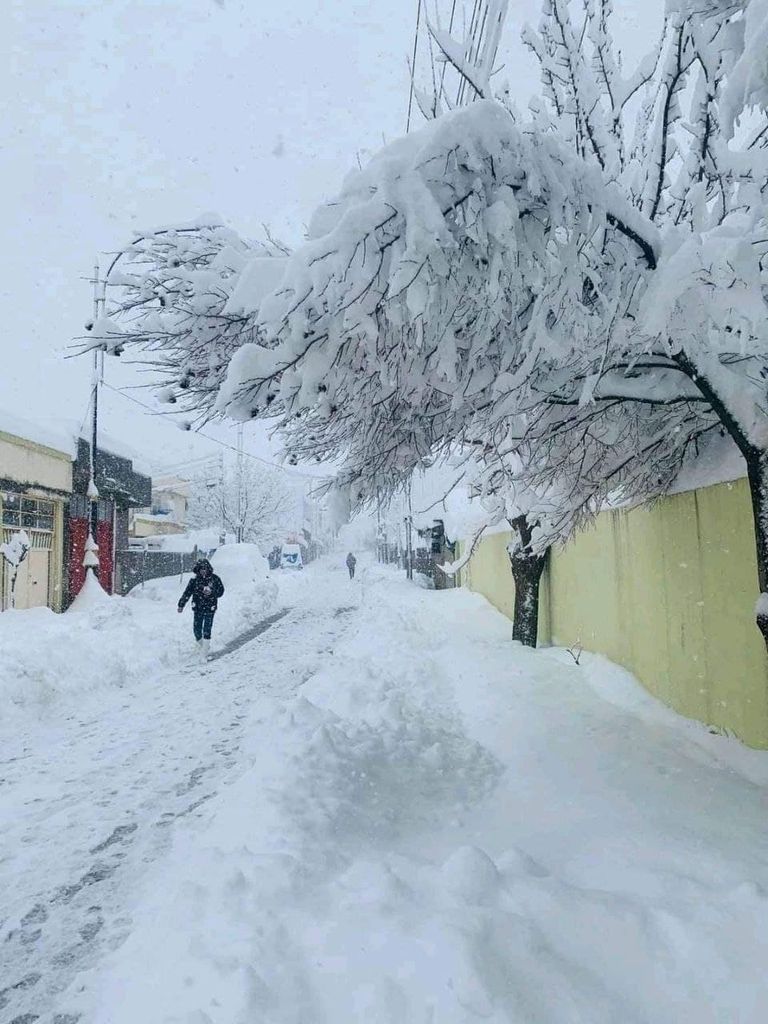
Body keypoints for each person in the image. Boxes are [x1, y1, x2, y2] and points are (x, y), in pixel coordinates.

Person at [178, 558, 225, 657]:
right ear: (198, 569)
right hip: (198, 608)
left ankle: (204, 653)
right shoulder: (194, 581)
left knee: (207, 629)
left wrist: (212, 592)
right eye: (201, 568)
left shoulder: (215, 579)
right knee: (197, 630)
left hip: (210, 607)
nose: (203, 570)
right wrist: (181, 604)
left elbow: (221, 591)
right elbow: (187, 593)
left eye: (205, 568)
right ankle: (203, 645)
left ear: (208, 569)